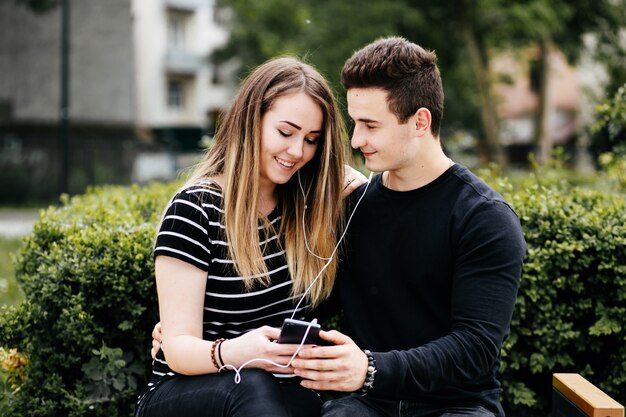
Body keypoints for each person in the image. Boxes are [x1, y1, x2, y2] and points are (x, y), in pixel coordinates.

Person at [290, 37, 527, 417]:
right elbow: (306, 300)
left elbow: (475, 349)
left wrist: (370, 369)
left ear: (420, 121)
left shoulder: (485, 219)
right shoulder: (351, 206)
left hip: (457, 406)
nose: (356, 140)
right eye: (354, 123)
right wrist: (203, 340)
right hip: (365, 407)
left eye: (370, 125)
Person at [135, 56, 364, 417]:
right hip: (188, 390)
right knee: (252, 384)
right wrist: (236, 352)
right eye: (285, 133)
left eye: (311, 140)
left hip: (278, 389)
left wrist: (362, 192)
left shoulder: (307, 208)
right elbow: (177, 350)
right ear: (250, 121)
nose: (297, 151)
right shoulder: (195, 210)